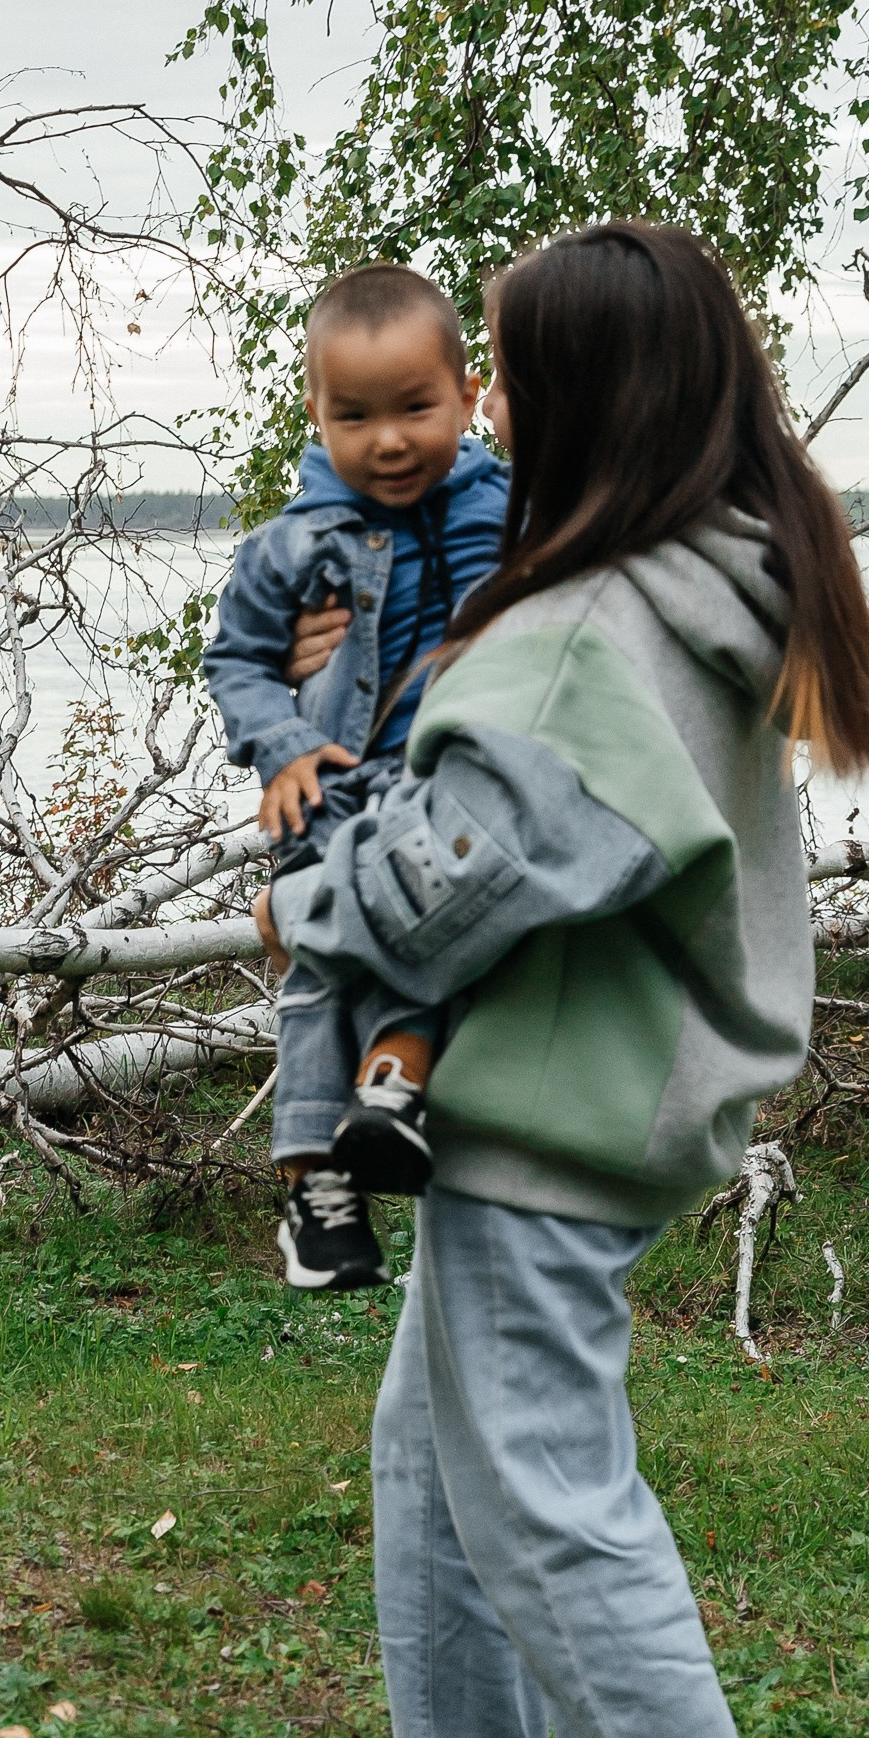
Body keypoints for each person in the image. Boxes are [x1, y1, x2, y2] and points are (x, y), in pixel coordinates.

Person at [253, 221, 869, 1738]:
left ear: (575, 391)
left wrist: (312, 901)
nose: (492, 407)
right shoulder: (702, 571)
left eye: (513, 373)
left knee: (537, 1478)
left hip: (553, 1102)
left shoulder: (592, 620)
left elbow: (474, 867)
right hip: (609, 1082)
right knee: (429, 1450)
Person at [203, 265, 511, 1291]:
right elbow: (236, 661)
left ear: (468, 397)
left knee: (444, 935)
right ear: (315, 413)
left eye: (414, 408)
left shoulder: (506, 507)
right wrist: (281, 744)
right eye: (354, 415)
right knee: (322, 965)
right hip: (334, 787)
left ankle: (390, 1090)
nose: (386, 439)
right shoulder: (292, 542)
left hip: (451, 787)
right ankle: (313, 1188)